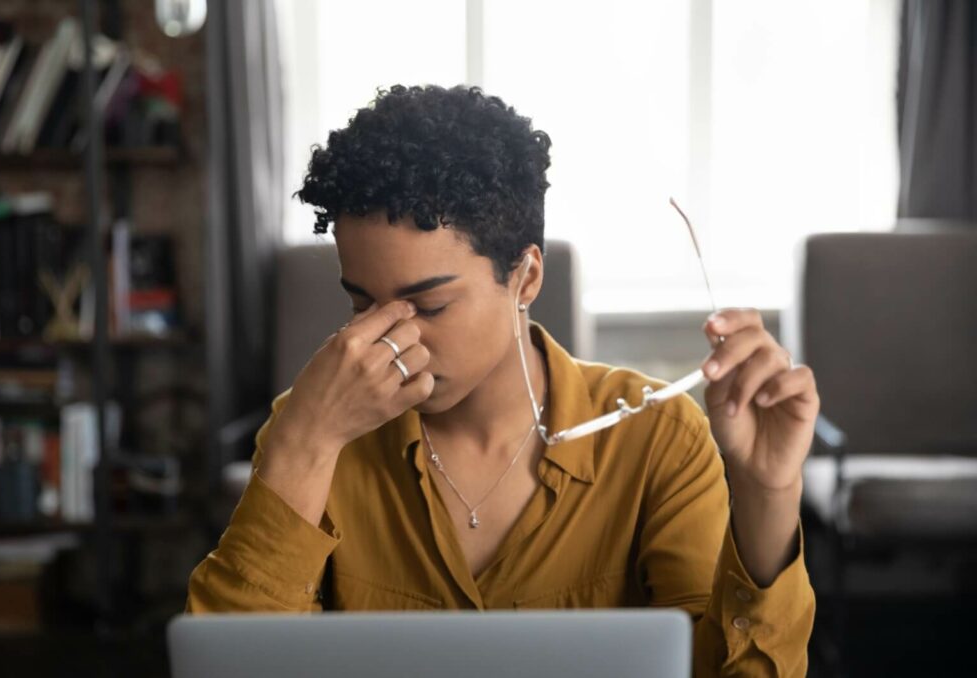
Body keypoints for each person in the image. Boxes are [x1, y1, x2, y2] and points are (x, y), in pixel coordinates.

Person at [186, 84, 817, 676]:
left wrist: (768, 494)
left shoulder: (656, 440)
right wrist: (305, 445)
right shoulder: (314, 431)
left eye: (428, 307)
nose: (387, 341)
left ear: (527, 278)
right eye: (361, 305)